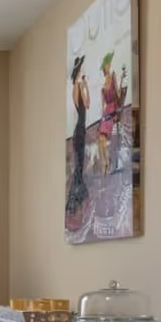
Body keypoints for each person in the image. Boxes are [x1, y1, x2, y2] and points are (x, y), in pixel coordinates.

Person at [66, 55, 90, 215]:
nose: (83, 73)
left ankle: (78, 196)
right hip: (79, 131)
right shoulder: (76, 88)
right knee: (79, 166)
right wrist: (81, 86)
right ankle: (75, 199)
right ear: (77, 74)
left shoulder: (80, 86)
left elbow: (87, 104)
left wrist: (85, 85)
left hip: (81, 130)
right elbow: (80, 105)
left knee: (80, 166)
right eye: (81, 71)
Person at [96, 51, 127, 176]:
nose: (107, 67)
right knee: (100, 138)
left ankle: (107, 162)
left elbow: (118, 94)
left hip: (113, 109)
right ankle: (105, 161)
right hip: (106, 112)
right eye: (106, 65)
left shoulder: (113, 75)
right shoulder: (102, 85)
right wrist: (101, 117)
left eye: (108, 64)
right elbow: (102, 103)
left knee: (102, 138)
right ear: (104, 68)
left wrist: (121, 81)